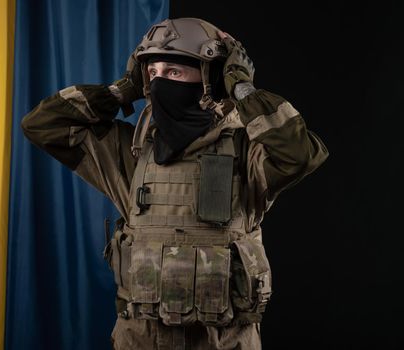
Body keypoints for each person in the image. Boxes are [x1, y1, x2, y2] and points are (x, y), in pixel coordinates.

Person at [21, 17, 328, 350]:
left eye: (175, 72)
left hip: (223, 343)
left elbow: (300, 154)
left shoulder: (248, 148)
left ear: (210, 78)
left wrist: (242, 88)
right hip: (140, 341)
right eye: (153, 73)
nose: (159, 84)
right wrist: (121, 90)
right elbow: (43, 124)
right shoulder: (130, 152)